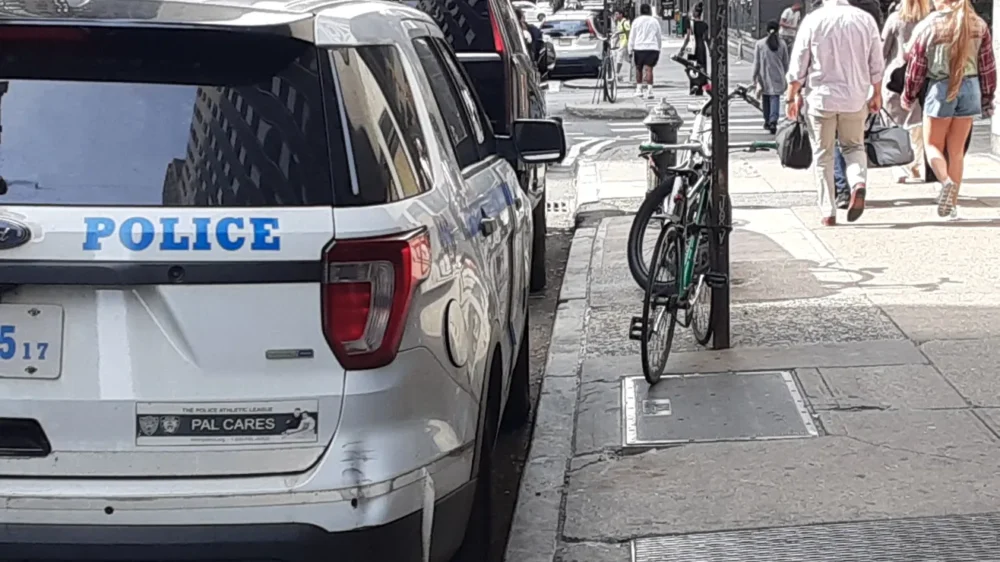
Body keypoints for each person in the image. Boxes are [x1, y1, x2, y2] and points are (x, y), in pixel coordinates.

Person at [786, 0, 885, 226]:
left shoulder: (813, 20)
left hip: (821, 98)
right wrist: (877, 93)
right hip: (855, 97)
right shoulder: (865, 20)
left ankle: (828, 211)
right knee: (854, 147)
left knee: (823, 155)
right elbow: (876, 63)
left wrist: (792, 95)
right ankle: (858, 182)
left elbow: (799, 62)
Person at [902, 0, 995, 219]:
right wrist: (987, 97)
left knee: (932, 145)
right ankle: (952, 206)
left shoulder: (929, 25)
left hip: (940, 87)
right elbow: (987, 65)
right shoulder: (978, 24)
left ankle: (945, 182)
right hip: (970, 87)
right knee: (957, 151)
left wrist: (908, 95)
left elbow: (917, 66)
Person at [882, 0, 932, 183]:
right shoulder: (930, 20)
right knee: (917, 126)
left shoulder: (895, 19)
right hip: (922, 77)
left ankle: (899, 168)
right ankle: (915, 164)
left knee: (893, 125)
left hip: (894, 77)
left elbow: (882, 51)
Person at [752, 20, 789, 133]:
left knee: (766, 98)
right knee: (775, 97)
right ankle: (773, 120)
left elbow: (756, 62)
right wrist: (785, 74)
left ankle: (767, 120)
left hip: (764, 75)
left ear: (767, 30)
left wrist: (754, 77)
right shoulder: (782, 44)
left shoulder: (760, 44)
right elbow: (786, 62)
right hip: (778, 74)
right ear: (778, 30)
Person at [628, 3, 663, 99]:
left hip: (639, 47)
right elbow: (658, 36)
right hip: (652, 47)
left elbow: (632, 36)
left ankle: (639, 89)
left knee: (638, 68)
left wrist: (630, 49)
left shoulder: (636, 21)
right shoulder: (654, 21)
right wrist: (659, 48)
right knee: (649, 69)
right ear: (650, 11)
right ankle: (650, 91)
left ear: (640, 11)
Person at [613, 11, 633, 82]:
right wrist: (615, 43)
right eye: (615, 14)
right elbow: (619, 35)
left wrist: (629, 43)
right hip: (622, 42)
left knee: (619, 57)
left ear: (621, 15)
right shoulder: (618, 22)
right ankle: (636, 70)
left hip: (625, 42)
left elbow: (628, 32)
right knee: (628, 59)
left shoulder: (625, 22)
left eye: (617, 14)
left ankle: (617, 74)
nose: (615, 16)